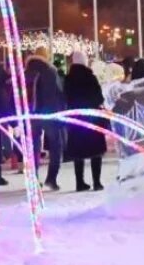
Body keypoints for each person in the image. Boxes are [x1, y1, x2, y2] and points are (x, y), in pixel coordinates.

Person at [63, 51, 107, 191]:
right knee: (96, 151)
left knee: (78, 152)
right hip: (92, 117)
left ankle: (79, 182)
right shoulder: (90, 77)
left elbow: (65, 98)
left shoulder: (68, 79)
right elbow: (99, 98)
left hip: (76, 118)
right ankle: (97, 182)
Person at [25, 46, 65, 190]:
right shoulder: (50, 71)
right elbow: (57, 93)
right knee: (56, 146)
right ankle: (51, 179)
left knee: (33, 146)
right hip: (49, 113)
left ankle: (33, 179)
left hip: (31, 114)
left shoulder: (27, 72)